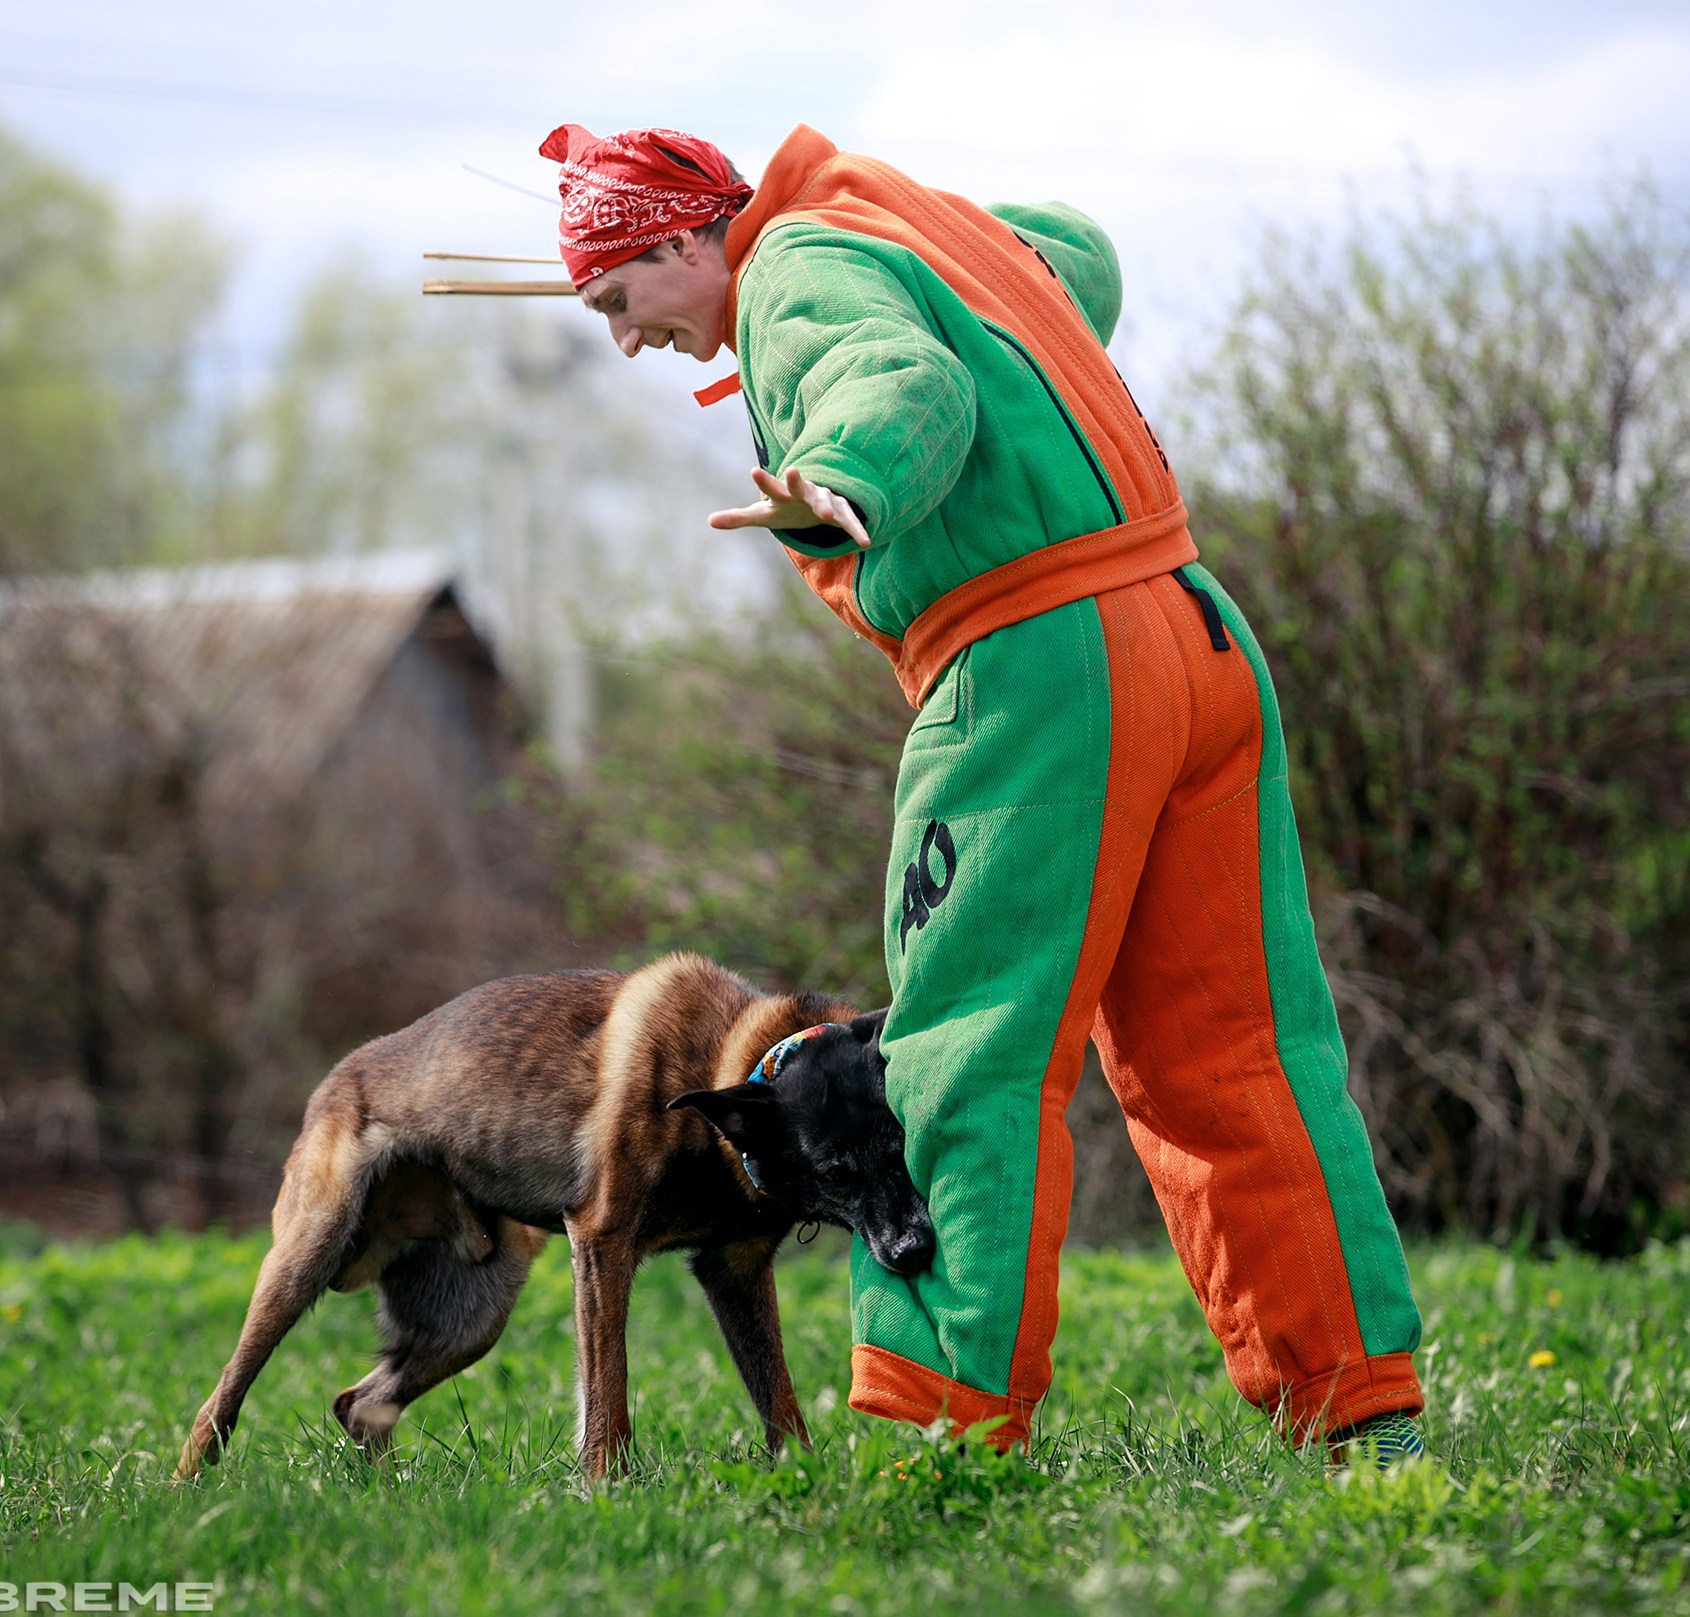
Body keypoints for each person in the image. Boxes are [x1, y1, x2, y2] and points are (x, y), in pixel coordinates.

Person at [537, 121, 1427, 1468]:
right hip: (1193, 635)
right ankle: (1358, 1409)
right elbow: (1076, 255)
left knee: (964, 1056)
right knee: (1243, 1052)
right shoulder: (898, 222)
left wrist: (843, 478)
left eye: (617, 300)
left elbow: (898, 384)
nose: (622, 339)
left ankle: (939, 1427)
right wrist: (954, 248)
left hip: (1032, 675)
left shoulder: (785, 272)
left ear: (676, 241)